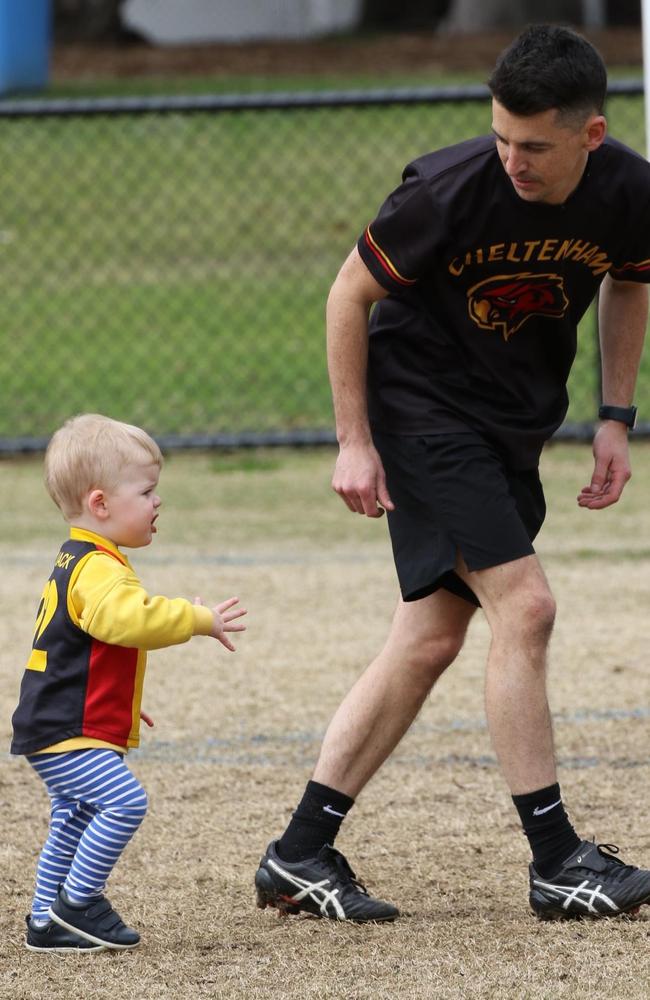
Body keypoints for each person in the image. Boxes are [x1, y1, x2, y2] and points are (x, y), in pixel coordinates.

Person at [254, 24, 650, 923]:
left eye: (535, 146)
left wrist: (616, 417)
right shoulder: (448, 189)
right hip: (423, 413)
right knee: (529, 606)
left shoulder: (630, 191)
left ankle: (299, 854)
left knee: (428, 640)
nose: (512, 159)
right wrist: (354, 440)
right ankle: (557, 861)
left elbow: (631, 281)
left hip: (509, 425)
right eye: (503, 137)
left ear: (590, 135)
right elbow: (347, 293)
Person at [11, 413, 247, 952]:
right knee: (124, 803)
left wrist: (118, 702)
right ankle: (80, 903)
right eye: (146, 491)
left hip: (60, 718)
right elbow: (128, 621)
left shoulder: (78, 558)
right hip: (65, 724)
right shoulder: (99, 568)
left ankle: (46, 921)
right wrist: (195, 617)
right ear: (100, 504)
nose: (157, 502)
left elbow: (82, 650)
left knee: (73, 816)